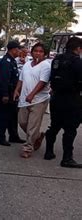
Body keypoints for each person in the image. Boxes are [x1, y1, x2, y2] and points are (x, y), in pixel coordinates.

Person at [44, 37, 82, 168]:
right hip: (71, 99)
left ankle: (48, 151)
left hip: (56, 98)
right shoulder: (77, 61)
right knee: (70, 129)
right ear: (78, 48)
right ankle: (67, 158)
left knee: (54, 125)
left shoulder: (57, 59)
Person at [13, 43, 51, 158]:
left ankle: (28, 148)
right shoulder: (27, 64)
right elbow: (21, 79)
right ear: (32, 52)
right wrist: (16, 90)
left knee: (32, 125)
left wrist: (32, 94)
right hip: (24, 99)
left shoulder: (46, 66)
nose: (38, 53)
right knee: (22, 122)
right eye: (36, 51)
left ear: (45, 54)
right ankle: (37, 136)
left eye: (41, 51)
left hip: (39, 100)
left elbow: (42, 82)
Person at [0, 40, 25, 146]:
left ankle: (13, 136)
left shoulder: (12, 61)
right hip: (6, 92)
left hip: (12, 92)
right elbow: (4, 80)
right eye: (18, 49)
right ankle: (0, 137)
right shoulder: (6, 62)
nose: (19, 51)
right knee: (3, 116)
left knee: (12, 116)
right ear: (14, 49)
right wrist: (5, 94)